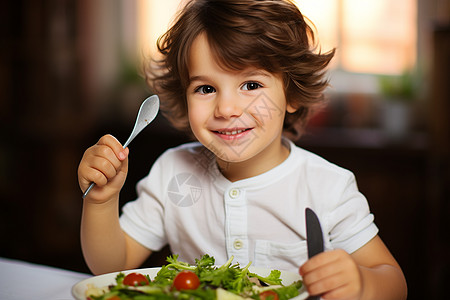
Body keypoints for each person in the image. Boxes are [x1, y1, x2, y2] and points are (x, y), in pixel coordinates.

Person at [77, 0, 407, 299]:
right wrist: (101, 199)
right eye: (206, 88)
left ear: (291, 95)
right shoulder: (173, 172)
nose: (227, 108)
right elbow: (110, 268)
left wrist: (362, 284)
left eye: (251, 85)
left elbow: (394, 283)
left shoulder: (327, 187)